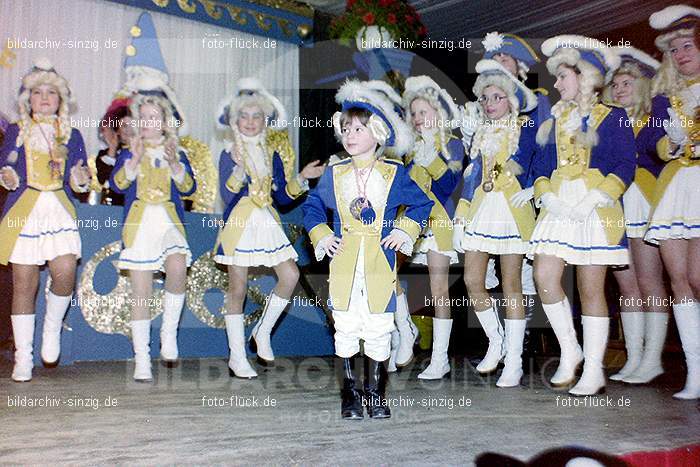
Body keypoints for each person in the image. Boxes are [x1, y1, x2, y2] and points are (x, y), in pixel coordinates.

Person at [303, 80, 433, 419]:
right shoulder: (334, 173)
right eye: (346, 128)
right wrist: (322, 235)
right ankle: (349, 394)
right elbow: (312, 207)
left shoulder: (394, 173)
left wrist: (404, 232)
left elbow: (422, 204)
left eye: (359, 128)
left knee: (378, 326)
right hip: (345, 262)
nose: (350, 134)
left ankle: (375, 393)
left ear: (377, 132)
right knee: (345, 326)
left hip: (379, 262)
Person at [529, 36, 636, 396]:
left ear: (585, 75)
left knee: (591, 288)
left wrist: (596, 196)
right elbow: (540, 167)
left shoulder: (615, 116)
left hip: (596, 207)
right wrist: (548, 197)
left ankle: (593, 369)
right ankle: (570, 349)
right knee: (544, 275)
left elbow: (625, 164)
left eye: (563, 76)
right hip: (559, 207)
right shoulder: (554, 121)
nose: (556, 84)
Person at [214, 78, 323, 378]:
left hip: (267, 221)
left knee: (290, 274)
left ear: (266, 120)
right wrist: (237, 169)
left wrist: (301, 177)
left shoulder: (271, 154)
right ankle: (237, 358)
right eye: (244, 116)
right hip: (240, 224)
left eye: (256, 116)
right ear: (235, 121)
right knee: (237, 290)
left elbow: (282, 198)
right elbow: (227, 196)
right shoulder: (228, 152)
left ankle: (262, 331)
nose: (250, 122)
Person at [0, 59, 90, 381]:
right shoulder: (17, 131)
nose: (44, 97)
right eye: (37, 92)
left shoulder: (71, 133)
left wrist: (81, 177)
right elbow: (6, 165)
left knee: (65, 269)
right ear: (28, 99)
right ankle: (23, 357)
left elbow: (80, 174)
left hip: (58, 206)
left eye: (51, 92)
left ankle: (51, 329)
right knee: (25, 283)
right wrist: (8, 175)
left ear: (61, 99)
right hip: (25, 208)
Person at [453, 59, 538, 387]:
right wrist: (461, 215)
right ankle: (496, 340)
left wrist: (534, 186)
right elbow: (472, 178)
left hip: (512, 210)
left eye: (497, 97)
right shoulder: (480, 133)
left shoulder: (523, 128)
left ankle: (514, 361)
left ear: (512, 100)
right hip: (482, 209)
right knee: (473, 280)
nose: (489, 104)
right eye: (485, 98)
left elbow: (532, 164)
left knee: (511, 285)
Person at [110, 93, 195, 381]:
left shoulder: (176, 151)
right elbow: (117, 185)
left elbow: (188, 187)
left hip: (168, 222)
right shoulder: (128, 151)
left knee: (177, 264)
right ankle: (142, 358)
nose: (148, 122)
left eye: (154, 117)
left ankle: (168, 336)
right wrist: (133, 160)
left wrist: (174, 165)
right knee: (141, 293)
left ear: (164, 123)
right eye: (143, 117)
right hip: (140, 224)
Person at [602, 47, 672, 385]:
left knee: (650, 281)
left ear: (641, 85)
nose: (619, 90)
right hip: (615, 206)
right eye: (615, 85)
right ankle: (633, 358)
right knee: (626, 285)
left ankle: (653, 358)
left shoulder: (655, 113)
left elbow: (660, 150)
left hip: (644, 200)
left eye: (627, 82)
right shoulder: (610, 121)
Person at [644, 4, 700, 400]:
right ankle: (694, 373)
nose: (681, 55)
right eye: (674, 49)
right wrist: (673, 141)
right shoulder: (666, 97)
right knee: (678, 280)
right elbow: (653, 145)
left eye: (687, 45)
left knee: (698, 277)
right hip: (676, 186)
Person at [396, 75, 464, 379]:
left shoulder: (454, 145)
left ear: (438, 113)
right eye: (414, 113)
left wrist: (432, 160)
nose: (418, 118)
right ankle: (403, 332)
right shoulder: (408, 148)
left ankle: (440, 358)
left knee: (439, 290)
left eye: (424, 112)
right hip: (409, 221)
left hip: (438, 221)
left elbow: (450, 184)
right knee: (385, 276)